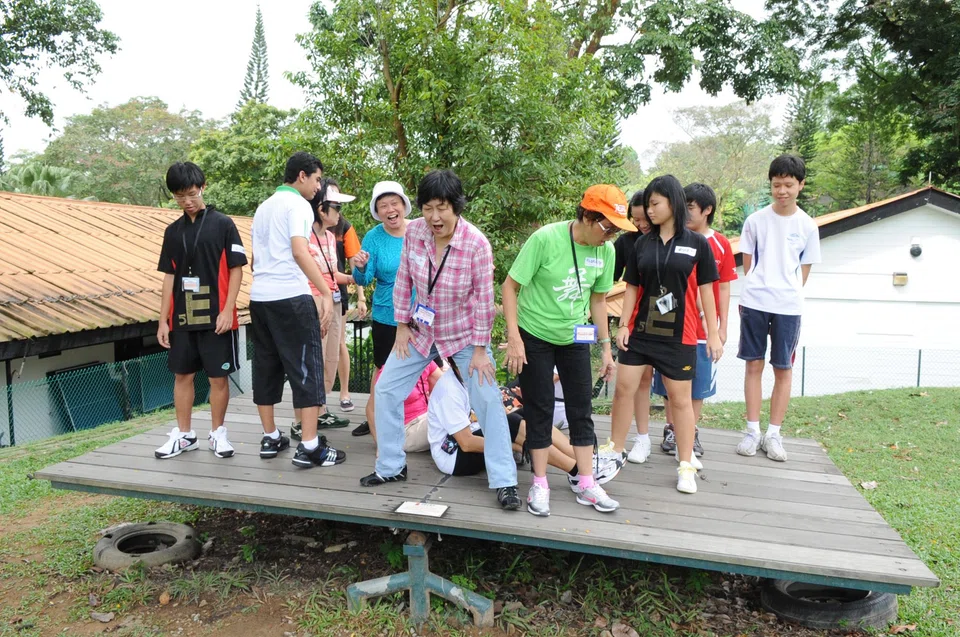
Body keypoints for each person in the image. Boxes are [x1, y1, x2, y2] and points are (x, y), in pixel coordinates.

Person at [360, 169, 521, 511]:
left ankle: (505, 481)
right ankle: (390, 467)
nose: (434, 216)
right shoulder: (415, 231)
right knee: (387, 388)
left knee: (488, 400)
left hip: (464, 335)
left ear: (457, 207)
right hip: (421, 330)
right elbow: (403, 278)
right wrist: (401, 324)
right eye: (428, 207)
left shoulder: (476, 244)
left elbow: (482, 301)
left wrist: (480, 350)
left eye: (442, 208)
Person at [502, 184, 631, 516]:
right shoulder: (546, 239)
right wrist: (514, 337)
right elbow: (510, 286)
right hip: (535, 335)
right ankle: (540, 484)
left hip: (576, 335)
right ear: (587, 215)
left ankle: (586, 482)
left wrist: (605, 349)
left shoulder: (607, 251)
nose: (611, 235)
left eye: (617, 230)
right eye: (608, 227)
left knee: (581, 408)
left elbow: (599, 300)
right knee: (540, 408)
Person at [609, 175, 722, 494]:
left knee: (681, 401)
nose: (649, 211)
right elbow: (632, 286)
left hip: (679, 335)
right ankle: (613, 451)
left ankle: (685, 466)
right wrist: (625, 324)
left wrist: (713, 334)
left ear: (672, 203)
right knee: (623, 389)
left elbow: (707, 291)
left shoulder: (697, 243)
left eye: (655, 204)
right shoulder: (641, 242)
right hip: (641, 332)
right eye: (647, 205)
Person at [248, 151, 346, 469]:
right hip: (291, 296)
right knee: (307, 370)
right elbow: (300, 251)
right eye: (317, 179)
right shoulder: (299, 206)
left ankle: (271, 436)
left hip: (260, 298)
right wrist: (327, 290)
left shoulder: (263, 207)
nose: (318, 187)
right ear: (302, 176)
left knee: (266, 366)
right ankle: (309, 446)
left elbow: (255, 260)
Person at [154, 162, 246, 459]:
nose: (187, 201)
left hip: (216, 314)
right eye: (180, 197)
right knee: (182, 375)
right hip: (181, 316)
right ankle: (184, 435)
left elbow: (236, 270)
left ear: (202, 187)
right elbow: (169, 276)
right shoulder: (172, 231)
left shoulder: (223, 224)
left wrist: (227, 309)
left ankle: (218, 434)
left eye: (192, 194)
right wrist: (163, 321)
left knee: (218, 378)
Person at [736, 155, 821, 462]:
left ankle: (774, 434)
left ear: (801, 185)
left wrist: (788, 294)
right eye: (776, 185)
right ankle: (752, 431)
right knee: (753, 365)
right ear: (770, 185)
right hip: (755, 301)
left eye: (788, 185)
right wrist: (753, 293)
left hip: (788, 306)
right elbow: (748, 265)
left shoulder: (808, 226)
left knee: (783, 368)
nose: (782, 191)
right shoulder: (755, 221)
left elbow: (804, 272)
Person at [653, 183, 737, 457]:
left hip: (704, 330)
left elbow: (723, 286)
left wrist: (721, 327)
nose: (684, 212)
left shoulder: (720, 244)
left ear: (707, 210)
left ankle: (691, 432)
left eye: (690, 207)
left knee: (698, 384)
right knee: (669, 382)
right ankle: (671, 429)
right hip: (672, 324)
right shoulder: (671, 238)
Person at [428, 361, 590, 490]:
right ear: (455, 361)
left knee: (527, 414)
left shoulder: (472, 374)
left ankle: (584, 458)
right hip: (454, 457)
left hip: (474, 432)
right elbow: (467, 443)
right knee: (510, 424)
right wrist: (513, 445)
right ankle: (576, 470)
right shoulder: (449, 390)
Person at [289, 179, 355, 439]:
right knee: (309, 360)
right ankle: (300, 421)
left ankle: (320, 410)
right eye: (335, 207)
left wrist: (355, 277)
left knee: (329, 360)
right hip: (313, 300)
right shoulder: (303, 235)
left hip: (334, 300)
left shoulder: (329, 236)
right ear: (321, 209)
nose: (339, 213)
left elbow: (331, 273)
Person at [350, 180, 413, 437]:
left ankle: (418, 419)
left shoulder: (421, 229)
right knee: (384, 368)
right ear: (378, 211)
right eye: (383, 205)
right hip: (388, 313)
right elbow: (363, 280)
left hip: (422, 313)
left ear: (403, 205)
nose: (390, 209)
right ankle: (374, 416)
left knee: (430, 369)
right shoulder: (374, 237)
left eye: (394, 203)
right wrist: (361, 266)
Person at [610, 189, 657, 465]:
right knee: (631, 382)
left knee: (652, 381)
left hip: (661, 322)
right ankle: (631, 440)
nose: (640, 225)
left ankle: (648, 436)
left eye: (645, 219)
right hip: (632, 320)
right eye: (635, 220)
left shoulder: (666, 240)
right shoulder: (625, 242)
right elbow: (609, 278)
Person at [331, 211, 366, 412]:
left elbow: (354, 260)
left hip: (338, 292)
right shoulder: (307, 219)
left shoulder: (343, 225)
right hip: (312, 292)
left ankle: (344, 393)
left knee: (339, 342)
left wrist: (360, 297)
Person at [374, 360, 443, 452]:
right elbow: (372, 410)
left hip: (426, 418)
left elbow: (446, 385)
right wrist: (382, 446)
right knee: (448, 417)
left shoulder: (425, 361)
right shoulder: (389, 371)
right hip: (405, 430)